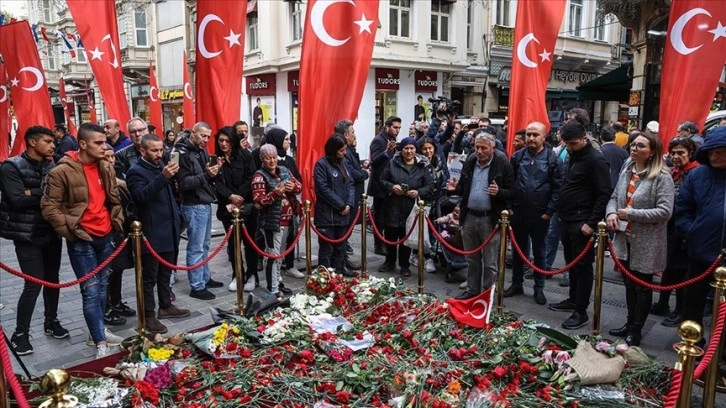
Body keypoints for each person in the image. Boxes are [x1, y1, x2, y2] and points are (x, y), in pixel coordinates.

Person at [41, 123, 126, 359]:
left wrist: (115, 219)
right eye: (98, 142)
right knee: (90, 291)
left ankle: (97, 331)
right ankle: (100, 342)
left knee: (101, 289)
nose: (104, 146)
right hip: (82, 239)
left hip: (105, 234)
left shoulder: (105, 166)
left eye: (104, 141)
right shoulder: (61, 171)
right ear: (83, 144)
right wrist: (71, 231)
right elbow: (49, 207)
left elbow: (113, 198)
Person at [0, 126, 68, 355]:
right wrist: (44, 193)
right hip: (27, 235)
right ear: (31, 142)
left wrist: (33, 192)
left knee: (53, 280)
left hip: (51, 230)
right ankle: (21, 334)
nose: (53, 145)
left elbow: (62, 194)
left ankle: (51, 321)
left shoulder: (52, 164)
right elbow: (17, 199)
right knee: (33, 284)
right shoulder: (11, 166)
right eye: (48, 141)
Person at [606, 132, 674, 346]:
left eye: (640, 146)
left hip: (646, 242)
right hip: (623, 237)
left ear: (652, 151)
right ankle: (629, 323)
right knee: (628, 284)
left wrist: (630, 214)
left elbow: (665, 212)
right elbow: (614, 198)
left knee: (642, 287)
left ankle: (636, 330)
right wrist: (611, 214)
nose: (634, 148)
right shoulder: (627, 170)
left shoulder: (662, 177)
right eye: (633, 145)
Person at [548, 121, 611, 330]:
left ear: (585, 139)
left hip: (582, 221)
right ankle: (573, 299)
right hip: (567, 218)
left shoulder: (595, 159)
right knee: (571, 263)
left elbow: (604, 193)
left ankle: (581, 310)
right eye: (566, 144)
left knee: (583, 267)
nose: (570, 147)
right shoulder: (572, 157)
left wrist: (591, 223)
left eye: (573, 143)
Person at [126, 134, 190, 334]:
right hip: (151, 232)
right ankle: (148, 316)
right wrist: (163, 177)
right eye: (154, 150)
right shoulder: (136, 171)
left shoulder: (162, 166)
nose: (159, 154)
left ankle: (165, 305)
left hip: (169, 229)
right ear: (143, 151)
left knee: (165, 272)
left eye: (161, 150)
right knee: (149, 277)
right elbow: (141, 197)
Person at [448, 131, 514, 299]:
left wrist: (499, 192)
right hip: (469, 216)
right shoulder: (470, 160)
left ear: (492, 147)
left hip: (489, 219)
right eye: (477, 147)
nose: (479, 151)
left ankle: (487, 293)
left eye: (483, 148)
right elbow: (463, 187)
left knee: (490, 261)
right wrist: (455, 187)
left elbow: (513, 192)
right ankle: (472, 290)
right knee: (471, 258)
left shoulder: (502, 162)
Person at [675, 126, 726, 336]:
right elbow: (682, 209)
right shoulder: (698, 175)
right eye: (711, 151)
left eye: (720, 151)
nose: (714, 156)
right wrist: (692, 231)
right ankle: (692, 345)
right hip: (701, 252)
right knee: (693, 303)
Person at [505, 122, 563, 306]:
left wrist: (549, 212)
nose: (531, 138)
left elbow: (558, 187)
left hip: (540, 215)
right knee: (518, 251)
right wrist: (510, 207)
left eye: (535, 135)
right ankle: (516, 283)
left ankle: (539, 288)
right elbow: (509, 182)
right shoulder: (517, 156)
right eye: (529, 134)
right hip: (518, 212)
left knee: (540, 251)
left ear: (544, 137)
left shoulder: (552, 159)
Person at [650, 137, 699, 327]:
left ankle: (680, 310)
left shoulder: (695, 173)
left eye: (681, 153)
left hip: (685, 231)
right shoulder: (674, 172)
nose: (676, 156)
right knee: (668, 267)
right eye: (674, 153)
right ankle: (663, 303)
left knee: (682, 272)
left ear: (690, 154)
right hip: (670, 229)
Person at [176, 121, 223, 300]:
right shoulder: (181, 152)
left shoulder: (201, 151)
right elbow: (184, 183)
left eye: (208, 137)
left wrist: (214, 170)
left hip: (204, 201)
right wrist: (207, 175)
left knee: (204, 245)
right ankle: (196, 285)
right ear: (193, 133)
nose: (205, 140)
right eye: (203, 136)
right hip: (192, 204)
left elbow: (205, 176)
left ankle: (204, 277)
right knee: (196, 247)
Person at [378, 137, 434, 277]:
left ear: (416, 150)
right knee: (390, 236)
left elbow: (429, 185)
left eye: (412, 148)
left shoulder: (422, 166)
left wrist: (418, 192)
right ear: (401, 149)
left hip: (410, 208)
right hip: (393, 206)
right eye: (406, 148)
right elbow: (382, 180)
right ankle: (389, 262)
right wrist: (392, 187)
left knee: (406, 238)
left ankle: (404, 265)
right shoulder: (392, 163)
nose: (409, 151)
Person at [252, 144, 303, 297]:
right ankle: (272, 289)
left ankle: (277, 283)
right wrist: (274, 194)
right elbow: (258, 202)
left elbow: (299, 187)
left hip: (288, 219)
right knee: (273, 256)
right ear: (262, 159)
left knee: (280, 255)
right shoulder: (259, 176)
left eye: (274, 157)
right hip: (271, 222)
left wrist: (293, 186)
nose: (272, 161)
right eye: (268, 158)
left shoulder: (284, 170)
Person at [213, 126, 259, 292]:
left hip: (246, 205)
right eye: (221, 141)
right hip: (227, 207)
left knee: (249, 242)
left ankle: (252, 274)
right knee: (233, 244)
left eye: (227, 141)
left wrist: (238, 196)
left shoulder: (245, 156)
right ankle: (237, 273)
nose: (224, 144)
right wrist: (230, 196)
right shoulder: (216, 159)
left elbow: (251, 177)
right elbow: (215, 183)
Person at [262, 127, 305, 279]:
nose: (288, 142)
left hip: (290, 207)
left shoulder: (289, 160)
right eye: (286, 139)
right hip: (273, 211)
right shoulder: (265, 162)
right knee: (274, 244)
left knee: (291, 236)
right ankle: (274, 273)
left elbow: (298, 180)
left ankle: (290, 264)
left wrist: (294, 187)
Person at [314, 135, 356, 276]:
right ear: (333, 150)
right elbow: (323, 188)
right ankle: (325, 275)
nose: (344, 153)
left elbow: (350, 184)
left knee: (341, 247)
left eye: (345, 150)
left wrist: (349, 204)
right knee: (327, 249)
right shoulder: (321, 165)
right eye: (341, 151)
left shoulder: (343, 163)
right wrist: (340, 205)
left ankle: (339, 272)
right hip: (328, 215)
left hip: (343, 214)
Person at [411, 136, 449, 273]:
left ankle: (428, 254)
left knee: (433, 229)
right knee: (421, 230)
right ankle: (423, 255)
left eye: (430, 148)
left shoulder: (439, 160)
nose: (428, 151)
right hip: (423, 201)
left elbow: (443, 177)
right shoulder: (418, 162)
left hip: (436, 200)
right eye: (425, 149)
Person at [368, 116, 402, 256]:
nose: (397, 130)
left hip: (388, 183)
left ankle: (386, 243)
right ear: (387, 126)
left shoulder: (390, 140)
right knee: (379, 217)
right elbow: (374, 162)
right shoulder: (379, 140)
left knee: (387, 216)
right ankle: (379, 244)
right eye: (395, 127)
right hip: (379, 185)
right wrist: (386, 152)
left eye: (399, 128)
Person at [336, 119, 367, 270]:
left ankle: (344, 260)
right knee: (344, 232)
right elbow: (352, 174)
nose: (355, 135)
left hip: (355, 197)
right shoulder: (344, 153)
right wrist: (365, 173)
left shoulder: (350, 150)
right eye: (353, 132)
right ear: (346, 134)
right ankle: (341, 263)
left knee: (347, 232)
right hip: (348, 198)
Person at [600, 126, 629, 190]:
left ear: (600, 137)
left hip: (603, 186)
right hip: (619, 186)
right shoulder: (623, 152)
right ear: (614, 137)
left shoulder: (598, 152)